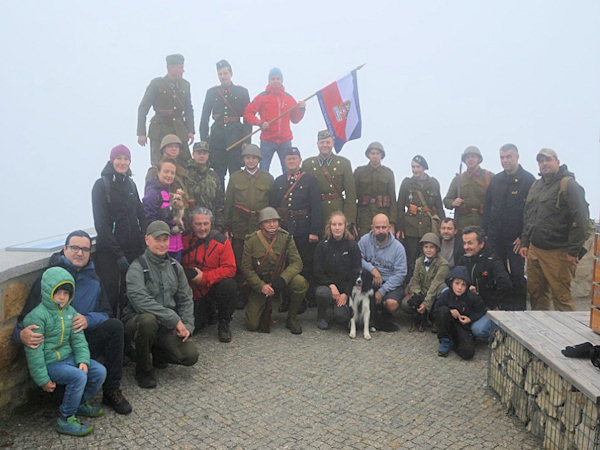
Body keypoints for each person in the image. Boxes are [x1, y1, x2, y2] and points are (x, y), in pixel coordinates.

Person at [13, 230, 132, 415]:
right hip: (54, 352)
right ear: (64, 249)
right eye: (75, 247)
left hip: (82, 342)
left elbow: (107, 313)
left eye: (85, 249)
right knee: (57, 400)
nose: (80, 253)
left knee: (115, 327)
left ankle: (111, 390)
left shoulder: (94, 281)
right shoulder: (48, 280)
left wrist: (88, 320)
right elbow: (24, 321)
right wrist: (21, 335)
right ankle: (66, 399)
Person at [23, 267, 107, 436]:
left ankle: (80, 403)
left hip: (69, 357)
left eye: (66, 293)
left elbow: (79, 340)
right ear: (48, 292)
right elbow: (34, 352)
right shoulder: (37, 316)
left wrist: (83, 359)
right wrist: (42, 379)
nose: (62, 297)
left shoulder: (71, 312)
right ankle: (66, 417)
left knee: (99, 371)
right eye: (58, 292)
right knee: (79, 376)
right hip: (51, 363)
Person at [124, 221, 199, 389]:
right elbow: (140, 300)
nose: (162, 244)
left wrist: (186, 325)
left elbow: (186, 297)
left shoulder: (174, 266)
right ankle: (143, 370)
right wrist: (173, 319)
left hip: (165, 327)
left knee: (190, 356)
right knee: (148, 320)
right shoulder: (137, 267)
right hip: (138, 322)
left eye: (165, 239)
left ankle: (157, 353)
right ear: (147, 240)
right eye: (158, 239)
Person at [519, 148, 590, 311]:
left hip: (558, 252)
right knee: (536, 294)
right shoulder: (536, 185)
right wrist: (525, 242)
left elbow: (581, 220)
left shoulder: (569, 185)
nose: (544, 164)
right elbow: (528, 215)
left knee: (561, 297)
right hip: (535, 249)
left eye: (548, 160)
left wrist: (573, 252)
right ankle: (540, 330)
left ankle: (568, 334)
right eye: (540, 161)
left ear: (557, 162)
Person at [92, 144, 147, 317]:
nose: (122, 162)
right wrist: (118, 255)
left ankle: (128, 338)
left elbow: (141, 214)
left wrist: (145, 240)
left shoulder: (131, 184)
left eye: (126, 159)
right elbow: (101, 225)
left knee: (129, 295)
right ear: (111, 160)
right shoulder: (101, 185)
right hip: (110, 253)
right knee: (112, 296)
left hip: (133, 250)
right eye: (119, 158)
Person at [482, 143, 535, 310]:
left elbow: (532, 213)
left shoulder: (528, 180)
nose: (505, 161)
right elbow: (488, 208)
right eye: (502, 157)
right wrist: (486, 234)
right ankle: (504, 309)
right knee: (499, 273)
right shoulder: (496, 180)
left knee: (518, 275)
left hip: (516, 239)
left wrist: (524, 237)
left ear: (517, 157)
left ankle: (519, 311)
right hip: (495, 237)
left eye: (508, 157)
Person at [240, 207, 307, 334]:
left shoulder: (286, 237)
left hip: (281, 280)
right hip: (261, 283)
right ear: (261, 224)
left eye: (275, 221)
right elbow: (246, 268)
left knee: (300, 282)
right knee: (252, 325)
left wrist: (283, 279)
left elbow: (297, 263)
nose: (272, 224)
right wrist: (261, 286)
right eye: (267, 221)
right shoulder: (251, 240)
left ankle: (292, 318)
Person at [224, 144, 274, 308]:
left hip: (260, 227)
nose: (250, 160)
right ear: (243, 159)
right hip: (240, 227)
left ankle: (257, 291)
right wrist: (226, 227)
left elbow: (272, 204)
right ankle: (241, 292)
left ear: (259, 160)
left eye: (254, 158)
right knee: (240, 260)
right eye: (247, 157)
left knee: (258, 259)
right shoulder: (235, 177)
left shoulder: (267, 178)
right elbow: (229, 203)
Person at [270, 146, 322, 305]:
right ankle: (285, 297)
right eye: (288, 159)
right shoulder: (278, 180)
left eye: (294, 158)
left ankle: (305, 297)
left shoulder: (310, 180)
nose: (291, 161)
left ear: (300, 160)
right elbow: (272, 206)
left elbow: (316, 206)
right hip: (284, 229)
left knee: (305, 262)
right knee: (284, 263)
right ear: (284, 161)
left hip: (304, 228)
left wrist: (314, 231)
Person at [181, 208, 237, 343]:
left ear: (211, 224)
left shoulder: (221, 241)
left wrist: (205, 277)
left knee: (229, 285)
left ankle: (224, 322)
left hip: (211, 286)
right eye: (198, 224)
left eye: (206, 224)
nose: (202, 228)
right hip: (191, 291)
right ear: (191, 224)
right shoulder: (183, 239)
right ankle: (209, 312)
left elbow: (230, 268)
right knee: (195, 328)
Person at [243, 67, 306, 173]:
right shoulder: (262, 97)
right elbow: (248, 114)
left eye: (278, 78)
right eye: (273, 79)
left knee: (288, 171)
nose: (275, 81)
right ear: (269, 81)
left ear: (282, 80)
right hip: (267, 141)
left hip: (285, 141)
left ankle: (287, 190)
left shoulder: (289, 98)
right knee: (263, 171)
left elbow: (295, 119)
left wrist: (302, 109)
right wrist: (260, 123)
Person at [199, 59, 251, 185]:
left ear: (231, 74)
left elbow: (247, 117)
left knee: (236, 173)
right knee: (218, 173)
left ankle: (235, 203)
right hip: (217, 137)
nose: (223, 77)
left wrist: (246, 141)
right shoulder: (211, 92)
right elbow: (204, 117)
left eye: (225, 73)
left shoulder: (242, 92)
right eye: (220, 74)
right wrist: (204, 141)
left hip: (236, 137)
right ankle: (219, 203)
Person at [137, 54, 194, 165]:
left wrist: (190, 130)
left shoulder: (185, 85)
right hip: (160, 128)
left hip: (179, 128)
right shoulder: (156, 84)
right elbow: (143, 108)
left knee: (186, 163)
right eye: (180, 68)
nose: (183, 71)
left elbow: (188, 109)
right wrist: (141, 133)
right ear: (170, 68)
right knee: (159, 163)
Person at [459, 225, 511, 339]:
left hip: (490, 306)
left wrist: (492, 303)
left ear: (481, 244)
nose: (466, 247)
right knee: (445, 290)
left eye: (470, 243)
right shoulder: (465, 258)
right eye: (464, 243)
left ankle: (501, 328)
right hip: (472, 301)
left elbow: (506, 284)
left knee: (478, 330)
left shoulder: (493, 260)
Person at [302, 129, 357, 235]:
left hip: (337, 211)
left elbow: (351, 195)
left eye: (328, 142)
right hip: (315, 212)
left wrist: (349, 220)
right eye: (322, 142)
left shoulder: (344, 163)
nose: (325, 145)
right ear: (317, 144)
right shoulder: (307, 164)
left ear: (333, 143)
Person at [358, 214, 407, 332]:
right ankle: (369, 318)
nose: (381, 231)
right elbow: (357, 258)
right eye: (377, 227)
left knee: (391, 304)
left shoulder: (398, 248)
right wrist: (373, 270)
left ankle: (384, 317)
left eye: (384, 227)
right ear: (372, 228)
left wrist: (382, 291)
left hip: (390, 282)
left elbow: (401, 274)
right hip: (371, 279)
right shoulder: (364, 240)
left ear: (389, 228)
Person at [313, 211, 362, 330]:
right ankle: (322, 315)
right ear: (329, 227)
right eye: (334, 224)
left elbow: (356, 272)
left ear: (345, 226)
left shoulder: (352, 246)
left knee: (341, 316)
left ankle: (338, 310)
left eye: (340, 224)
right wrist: (331, 285)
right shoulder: (322, 246)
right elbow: (317, 271)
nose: (337, 228)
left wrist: (346, 293)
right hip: (327, 287)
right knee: (322, 293)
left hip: (346, 287)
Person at [397, 155, 445, 269]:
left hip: (428, 227)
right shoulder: (407, 183)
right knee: (411, 258)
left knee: (427, 258)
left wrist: (443, 225)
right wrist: (400, 227)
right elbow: (400, 207)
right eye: (413, 167)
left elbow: (439, 206)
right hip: (410, 227)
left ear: (423, 168)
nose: (415, 170)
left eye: (417, 167)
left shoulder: (433, 183)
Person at [433, 266, 487, 359]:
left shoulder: (472, 297)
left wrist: (470, 319)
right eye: (457, 283)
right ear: (451, 283)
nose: (459, 288)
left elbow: (481, 310)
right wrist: (450, 311)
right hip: (447, 323)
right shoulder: (446, 294)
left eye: (463, 284)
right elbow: (435, 310)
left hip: (463, 327)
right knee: (443, 311)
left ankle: (454, 341)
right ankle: (445, 340)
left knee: (468, 353)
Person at [443, 146, 493, 233]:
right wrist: (453, 202)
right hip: (463, 226)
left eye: (473, 156)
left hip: (484, 224)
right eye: (468, 157)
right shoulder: (458, 179)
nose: (470, 159)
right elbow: (446, 200)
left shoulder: (489, 177)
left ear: (479, 159)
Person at [401, 233, 449, 322]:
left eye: (432, 247)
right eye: (426, 247)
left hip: (434, 294)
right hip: (422, 292)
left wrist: (426, 303)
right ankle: (419, 316)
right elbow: (415, 280)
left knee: (442, 288)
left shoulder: (443, 264)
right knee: (405, 304)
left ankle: (434, 318)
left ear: (437, 249)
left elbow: (436, 284)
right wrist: (418, 298)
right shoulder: (419, 261)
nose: (428, 250)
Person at [354, 142, 397, 237]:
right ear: (368, 155)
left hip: (382, 213)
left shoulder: (388, 173)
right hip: (364, 215)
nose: (375, 156)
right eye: (372, 153)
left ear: (381, 155)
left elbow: (393, 198)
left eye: (377, 153)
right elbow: (353, 197)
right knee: (364, 241)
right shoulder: (359, 172)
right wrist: (353, 221)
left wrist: (392, 222)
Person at [143, 158, 183, 260]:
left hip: (176, 245)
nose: (169, 175)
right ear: (158, 172)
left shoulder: (171, 191)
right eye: (166, 171)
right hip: (161, 246)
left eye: (172, 173)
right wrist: (166, 231)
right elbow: (149, 219)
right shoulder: (152, 193)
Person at [184, 141, 225, 231]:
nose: (202, 156)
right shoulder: (185, 174)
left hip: (209, 225)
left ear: (208, 155)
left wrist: (220, 225)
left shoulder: (214, 176)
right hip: (189, 224)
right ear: (193, 154)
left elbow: (220, 203)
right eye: (199, 153)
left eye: (204, 153)